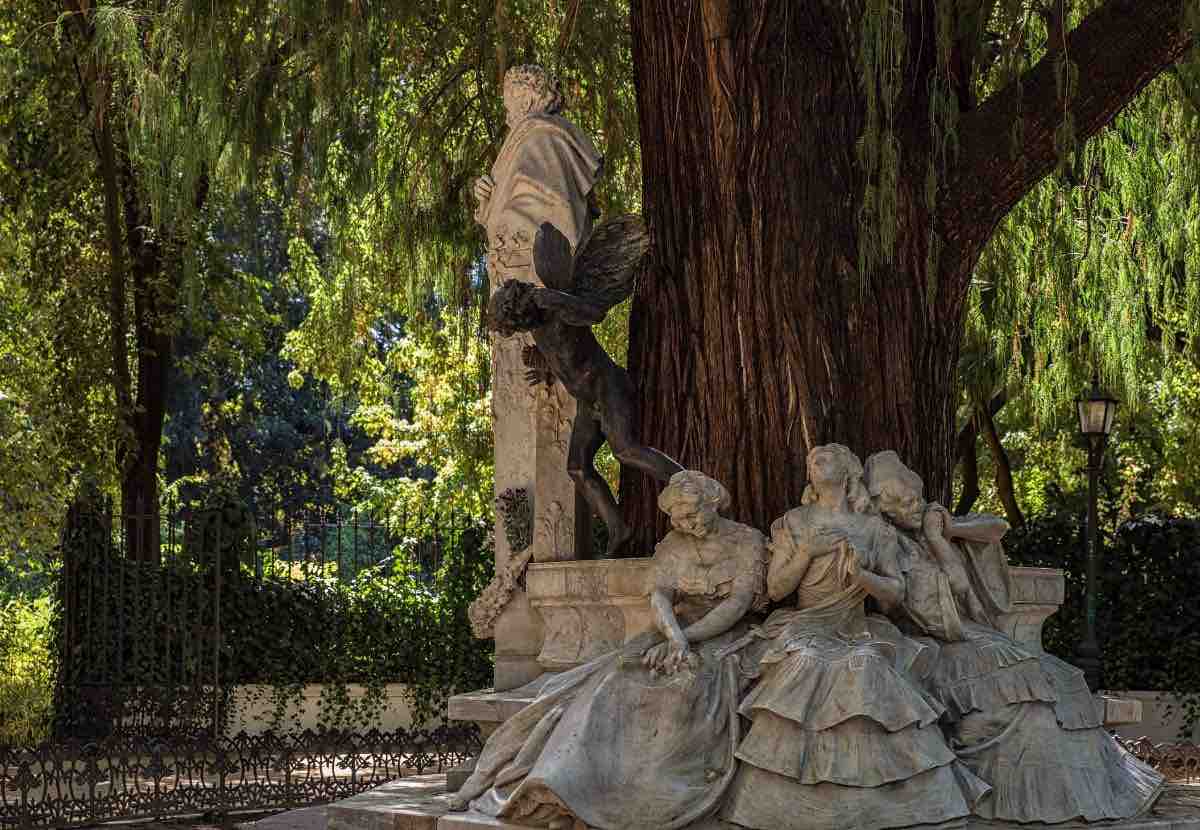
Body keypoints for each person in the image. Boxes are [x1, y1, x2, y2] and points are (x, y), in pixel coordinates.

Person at [448, 471, 768, 829]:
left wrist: (686, 640)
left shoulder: (746, 542)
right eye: (678, 518)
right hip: (671, 632)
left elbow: (737, 604)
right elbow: (660, 596)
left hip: (722, 635)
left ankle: (646, 799)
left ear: (713, 502)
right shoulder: (674, 544)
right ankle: (566, 790)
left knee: (684, 688)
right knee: (611, 683)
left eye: (692, 514)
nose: (686, 523)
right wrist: (673, 636)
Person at [864, 450, 1164, 824]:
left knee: (1058, 681)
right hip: (937, 643)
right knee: (1025, 699)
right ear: (885, 511)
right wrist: (937, 543)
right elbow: (938, 610)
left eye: (915, 498)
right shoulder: (890, 546)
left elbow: (996, 527)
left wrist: (949, 530)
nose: (915, 507)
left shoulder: (932, 524)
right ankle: (1015, 798)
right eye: (904, 503)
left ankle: (1083, 795)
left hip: (973, 637)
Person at [720, 444, 989, 830]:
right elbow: (777, 589)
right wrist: (807, 552)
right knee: (805, 664)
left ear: (848, 472)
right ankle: (784, 805)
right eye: (811, 460)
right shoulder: (794, 523)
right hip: (806, 624)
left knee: (867, 666)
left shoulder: (874, 529)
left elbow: (895, 593)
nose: (815, 463)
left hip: (856, 625)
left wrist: (862, 577)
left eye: (825, 458)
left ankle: (879, 803)